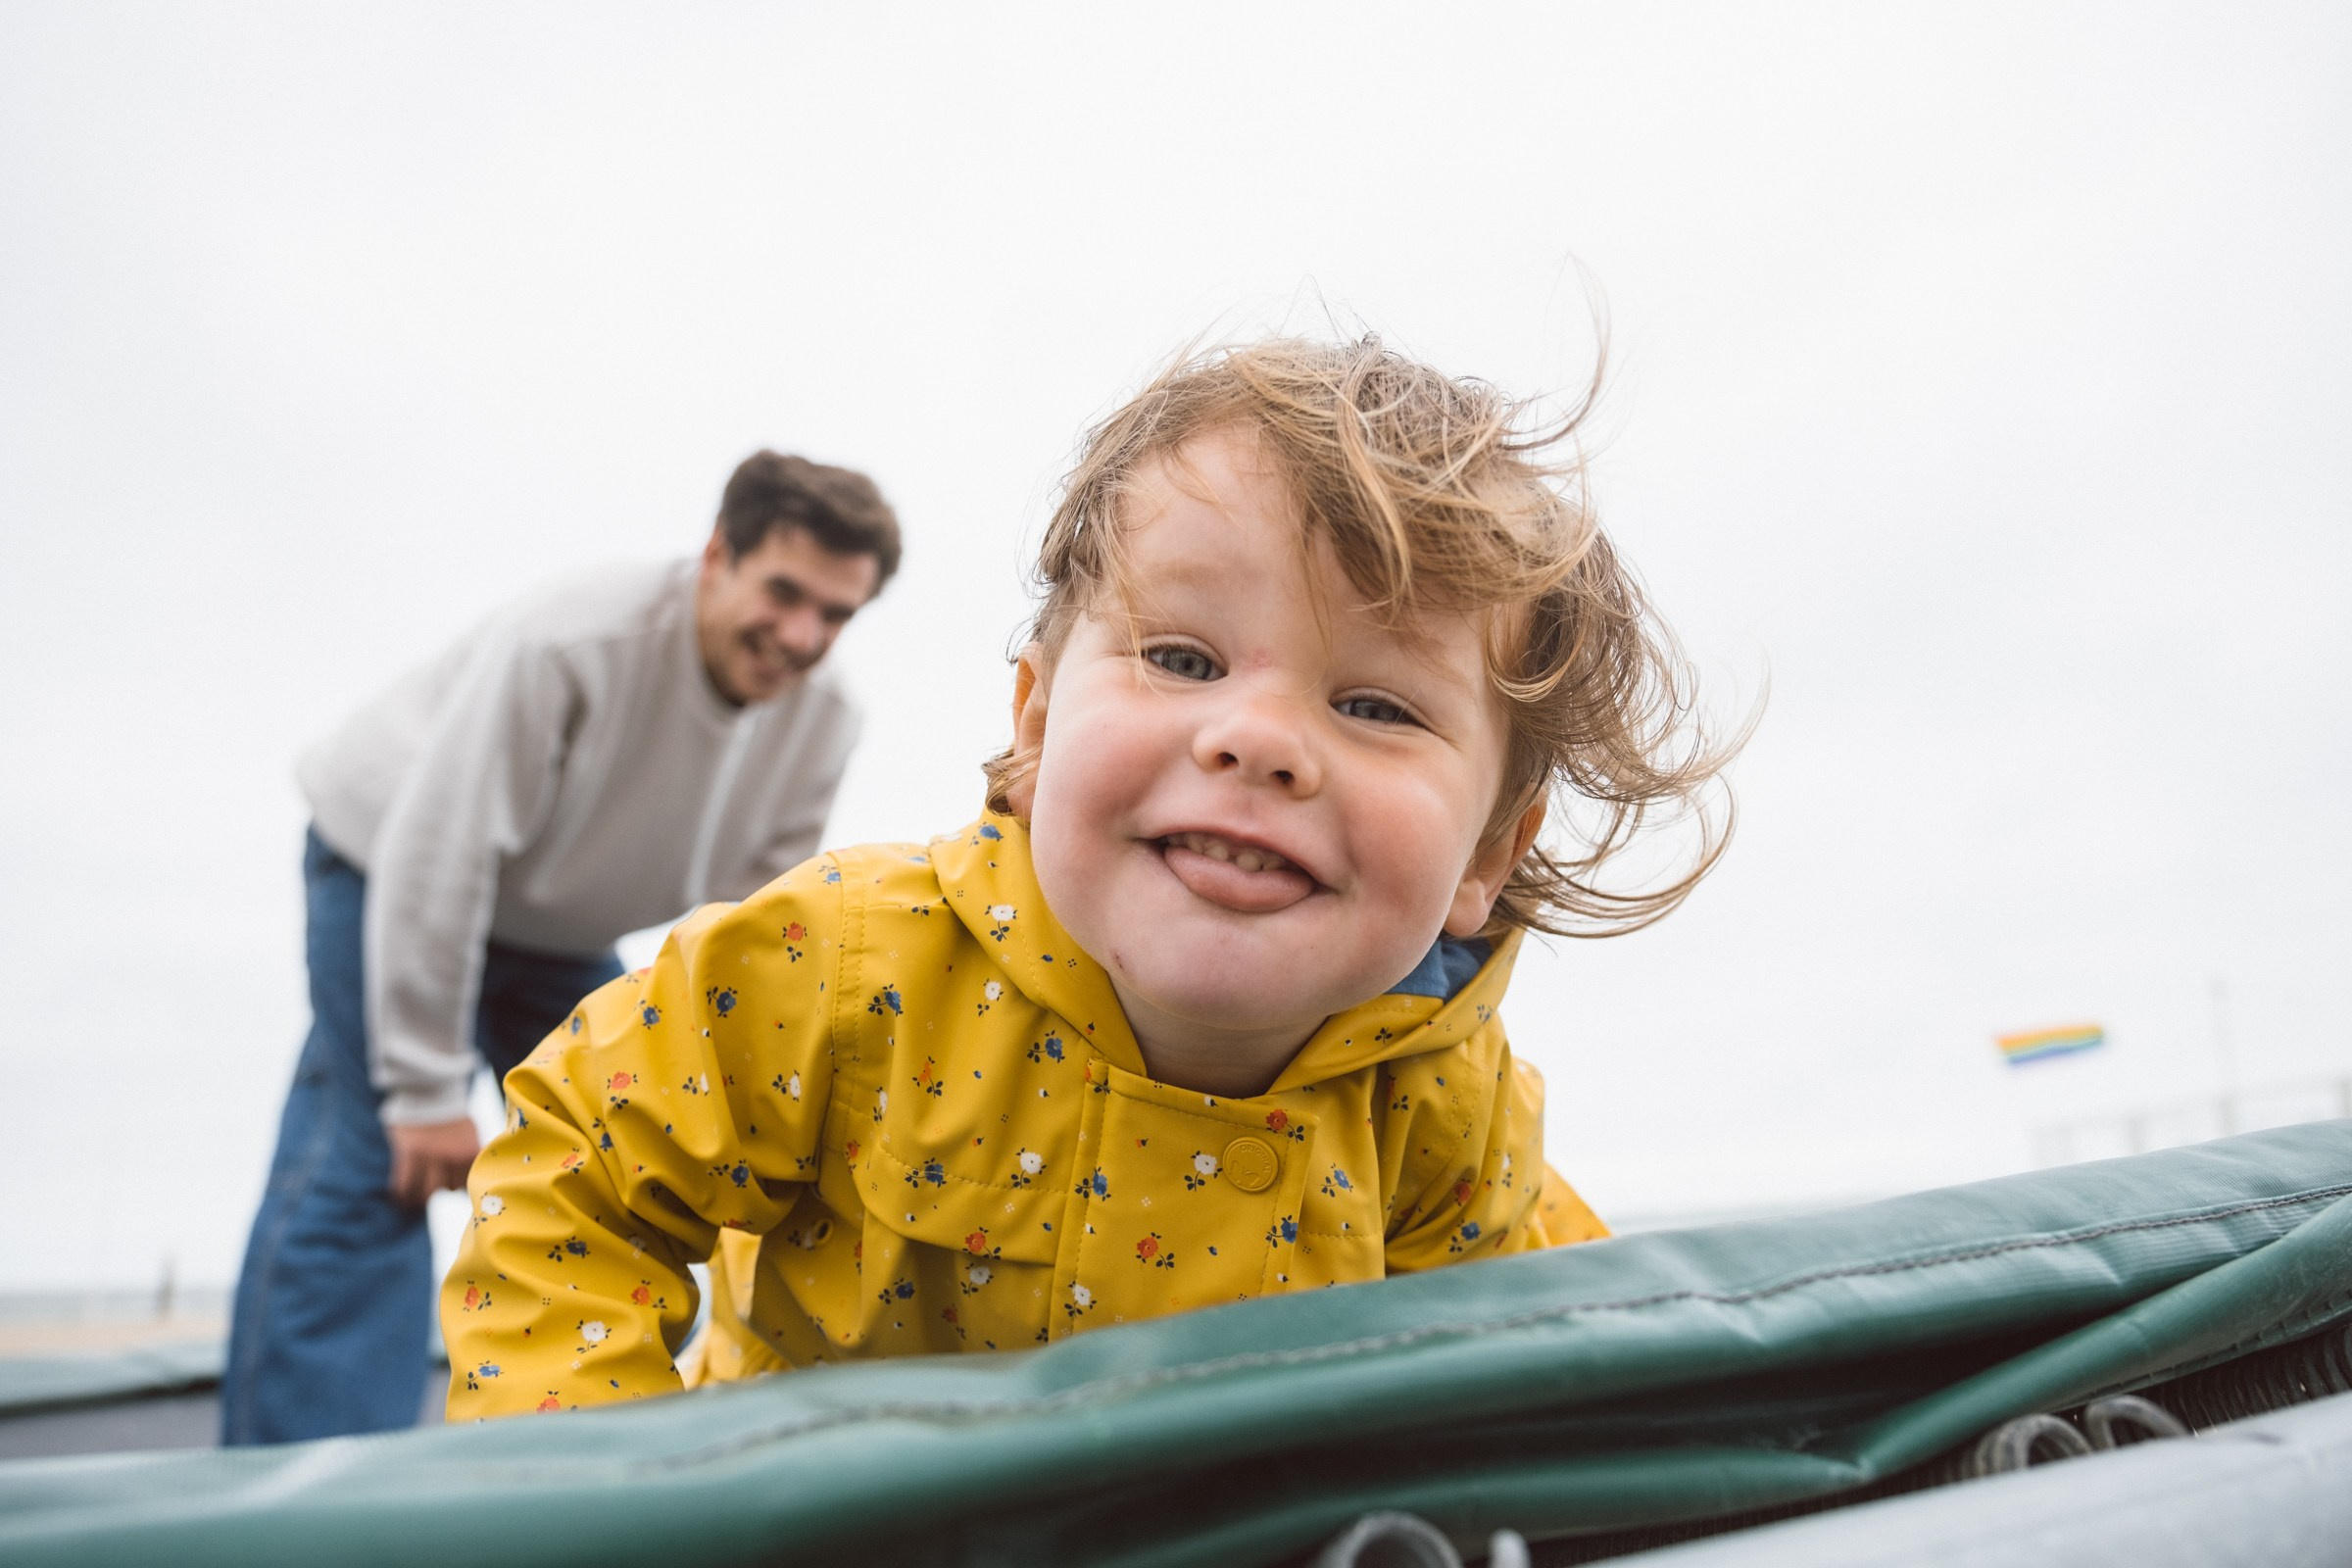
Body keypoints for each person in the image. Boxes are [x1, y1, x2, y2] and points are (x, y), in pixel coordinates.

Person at [441, 337, 1737, 1418]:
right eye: (1181, 658)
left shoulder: (1447, 1104)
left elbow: (1563, 1367)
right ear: (1042, 725)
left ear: (1492, 857)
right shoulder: (837, 964)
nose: (1260, 739)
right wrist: (640, 1508)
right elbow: (578, 1183)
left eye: (1378, 705)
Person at [221, 452, 903, 1445]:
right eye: (784, 592)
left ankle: (573, 1451)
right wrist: (420, 1090)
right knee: (376, 1162)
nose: (801, 636)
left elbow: (758, 931)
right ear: (717, 556)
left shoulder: (826, 718)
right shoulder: (575, 641)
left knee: (626, 1138)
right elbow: (441, 845)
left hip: (555, 931)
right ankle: (307, 1492)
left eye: (834, 615)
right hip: (390, 868)